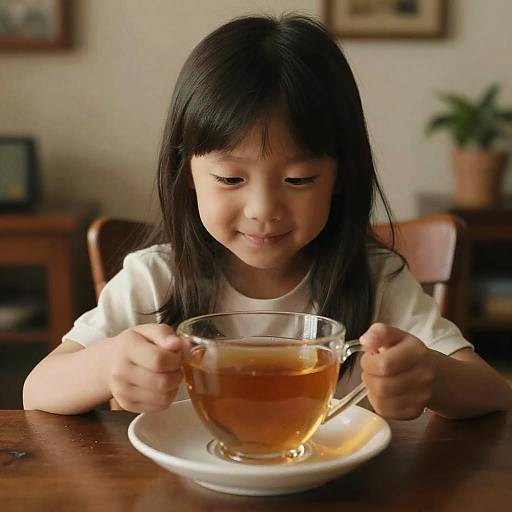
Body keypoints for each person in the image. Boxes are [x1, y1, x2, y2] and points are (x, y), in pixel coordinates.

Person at [23, 13, 512, 418]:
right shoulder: (156, 279)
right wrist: (107, 365)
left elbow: (492, 392)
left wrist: (431, 378)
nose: (263, 211)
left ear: (341, 176)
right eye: (231, 180)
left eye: (298, 180)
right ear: (188, 173)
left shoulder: (375, 278)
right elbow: (37, 390)